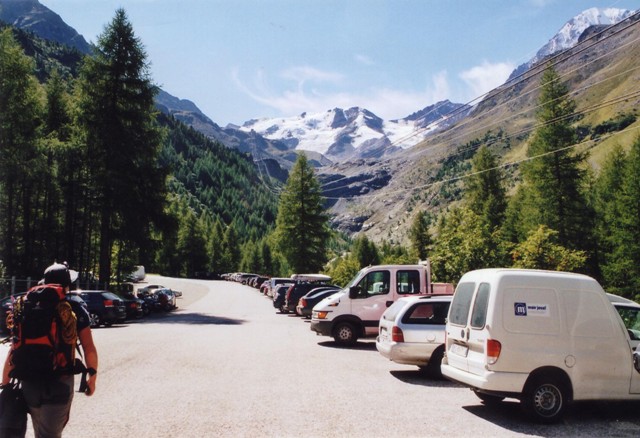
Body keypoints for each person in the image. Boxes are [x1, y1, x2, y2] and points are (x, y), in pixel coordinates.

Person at [1, 262, 99, 438]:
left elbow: (14, 349)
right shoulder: (74, 307)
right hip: (59, 382)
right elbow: (88, 346)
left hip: (30, 383)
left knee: (40, 429)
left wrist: (6, 383)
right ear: (67, 285)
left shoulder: (26, 305)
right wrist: (92, 375)